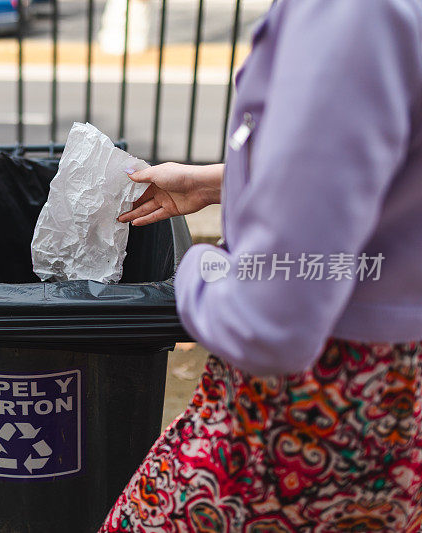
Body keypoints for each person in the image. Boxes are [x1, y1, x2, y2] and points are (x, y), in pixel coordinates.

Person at [100, 0, 422, 530]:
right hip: (389, 395)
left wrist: (197, 269)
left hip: (310, 408)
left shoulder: (348, 14)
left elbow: (270, 324)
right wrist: (220, 182)